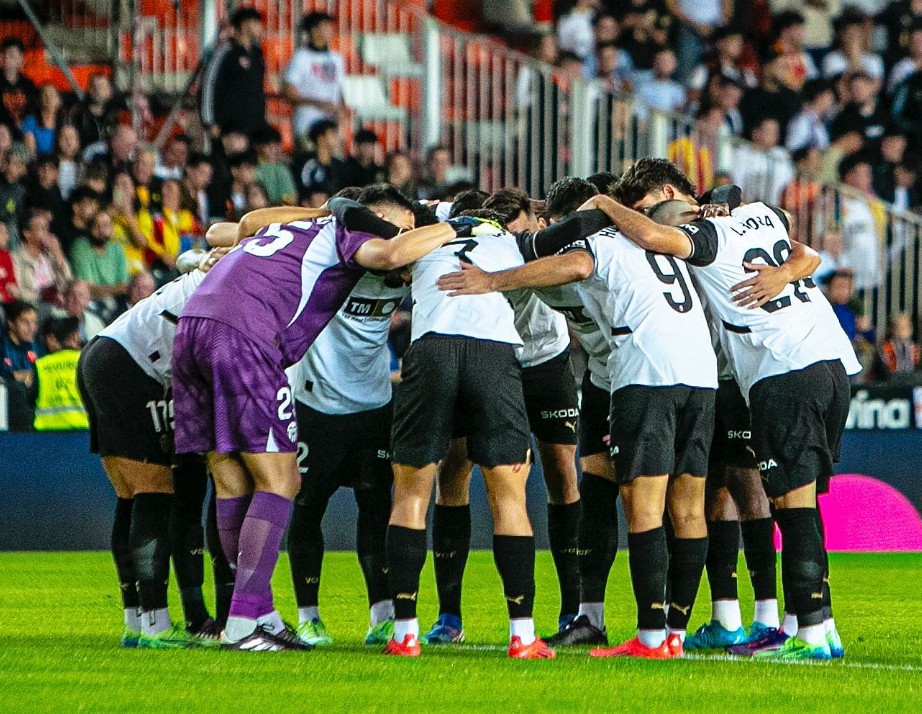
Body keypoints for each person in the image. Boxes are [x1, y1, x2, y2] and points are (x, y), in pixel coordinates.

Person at [171, 195, 459, 652]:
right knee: (281, 481)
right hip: (247, 335)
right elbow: (389, 254)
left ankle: (257, 613)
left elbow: (241, 226)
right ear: (378, 217)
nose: (405, 238)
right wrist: (457, 226)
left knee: (230, 479)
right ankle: (245, 624)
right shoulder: (354, 232)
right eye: (402, 227)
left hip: (193, 326)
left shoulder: (299, 227)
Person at [439, 196, 719, 661]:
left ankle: (651, 638)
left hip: (645, 370)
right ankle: (673, 634)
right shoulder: (656, 242)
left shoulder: (599, 240)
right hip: (699, 373)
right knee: (688, 508)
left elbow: (572, 265)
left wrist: (491, 281)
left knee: (643, 508)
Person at [610, 157, 860, 659]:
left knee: (792, 504)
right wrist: (786, 272)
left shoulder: (709, 236)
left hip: (781, 370)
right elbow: (806, 253)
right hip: (832, 362)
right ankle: (822, 626)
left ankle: (809, 634)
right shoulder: (763, 214)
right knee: (800, 501)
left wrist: (604, 206)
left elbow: (660, 239)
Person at [379, 207, 554, 660]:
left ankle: (404, 634)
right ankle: (522, 634)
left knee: (411, 494)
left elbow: (391, 264)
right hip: (492, 353)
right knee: (509, 496)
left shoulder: (422, 242)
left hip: (431, 346)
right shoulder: (510, 242)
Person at [77, 245, 234, 649]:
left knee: (131, 496)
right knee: (154, 492)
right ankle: (156, 626)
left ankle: (136, 620)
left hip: (106, 353)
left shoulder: (222, 266)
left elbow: (191, 256)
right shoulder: (239, 288)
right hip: (134, 367)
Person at [643, 198, 779, 652]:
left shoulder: (716, 244)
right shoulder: (675, 253)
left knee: (749, 488)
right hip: (707, 382)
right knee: (713, 493)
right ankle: (728, 617)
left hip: (732, 380)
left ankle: (768, 616)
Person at [286, 191, 410, 648]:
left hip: (374, 405)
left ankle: (381, 614)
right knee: (306, 510)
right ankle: (308, 616)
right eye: (394, 227)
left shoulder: (402, 270)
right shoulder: (331, 255)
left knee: (377, 510)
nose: (402, 240)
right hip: (316, 406)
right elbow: (338, 205)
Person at [201, 7, 266, 138]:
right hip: (227, 128)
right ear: (244, 25)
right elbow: (208, 86)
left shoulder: (257, 54)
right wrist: (210, 122)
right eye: (257, 23)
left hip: (254, 126)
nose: (261, 28)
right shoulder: (224, 52)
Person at [283, 11, 345, 142]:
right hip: (307, 126)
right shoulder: (300, 57)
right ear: (314, 30)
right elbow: (289, 94)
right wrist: (318, 103)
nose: (330, 30)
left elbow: (339, 91)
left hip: (330, 129)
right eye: (326, 26)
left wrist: (341, 110)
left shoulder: (337, 59)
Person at [33, 316, 87, 431]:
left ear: (54, 338)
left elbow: (30, 398)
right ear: (75, 336)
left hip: (47, 434)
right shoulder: (87, 360)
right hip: (83, 432)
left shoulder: (41, 364)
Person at [11, 209, 72, 307]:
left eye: (47, 229)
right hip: (32, 306)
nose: (47, 233)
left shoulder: (51, 255)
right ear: (27, 234)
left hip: (58, 304)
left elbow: (68, 284)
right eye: (42, 229)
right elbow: (16, 291)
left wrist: (58, 254)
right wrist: (42, 296)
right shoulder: (15, 258)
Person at [71, 209, 130, 303]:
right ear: (89, 228)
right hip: (92, 302)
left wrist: (115, 289)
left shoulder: (117, 248)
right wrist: (116, 289)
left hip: (117, 300)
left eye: (105, 225)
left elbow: (124, 284)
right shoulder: (81, 246)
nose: (101, 230)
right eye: (96, 225)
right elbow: (88, 289)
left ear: (112, 228)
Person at [69, 72, 123, 149]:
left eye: (101, 87)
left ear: (109, 91)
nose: (97, 91)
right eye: (94, 87)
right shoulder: (77, 112)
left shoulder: (116, 114)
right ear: (89, 89)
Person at [298, 120, 348, 199]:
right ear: (320, 138)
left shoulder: (339, 165)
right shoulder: (304, 162)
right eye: (333, 134)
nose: (338, 138)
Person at [253, 126, 298, 205]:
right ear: (257, 146)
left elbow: (291, 199)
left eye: (276, 144)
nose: (273, 149)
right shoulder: (251, 168)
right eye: (268, 145)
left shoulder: (282, 169)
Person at [0, 37, 38, 130]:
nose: (7, 58)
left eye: (11, 55)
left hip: (24, 133)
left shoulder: (28, 85)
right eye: (4, 54)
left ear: (21, 59)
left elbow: (34, 111)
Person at [21, 83, 63, 157]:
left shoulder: (65, 121)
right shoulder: (30, 121)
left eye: (52, 95)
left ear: (59, 100)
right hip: (40, 163)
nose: (48, 98)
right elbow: (31, 152)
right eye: (45, 95)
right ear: (39, 100)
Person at [0, 145, 27, 248]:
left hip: (7, 228)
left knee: (12, 228)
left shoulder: (20, 190)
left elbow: (11, 211)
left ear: (23, 168)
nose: (11, 167)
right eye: (8, 162)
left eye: (17, 165)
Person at [878, 313, 920, 378]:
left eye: (907, 326)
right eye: (901, 327)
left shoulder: (917, 349)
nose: (904, 330)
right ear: (893, 329)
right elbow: (882, 371)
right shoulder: (885, 348)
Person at [0, 221, 16, 302]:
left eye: (6, 233)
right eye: (2, 233)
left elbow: (11, 282)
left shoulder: (6, 255)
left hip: (7, 300)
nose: (6, 237)